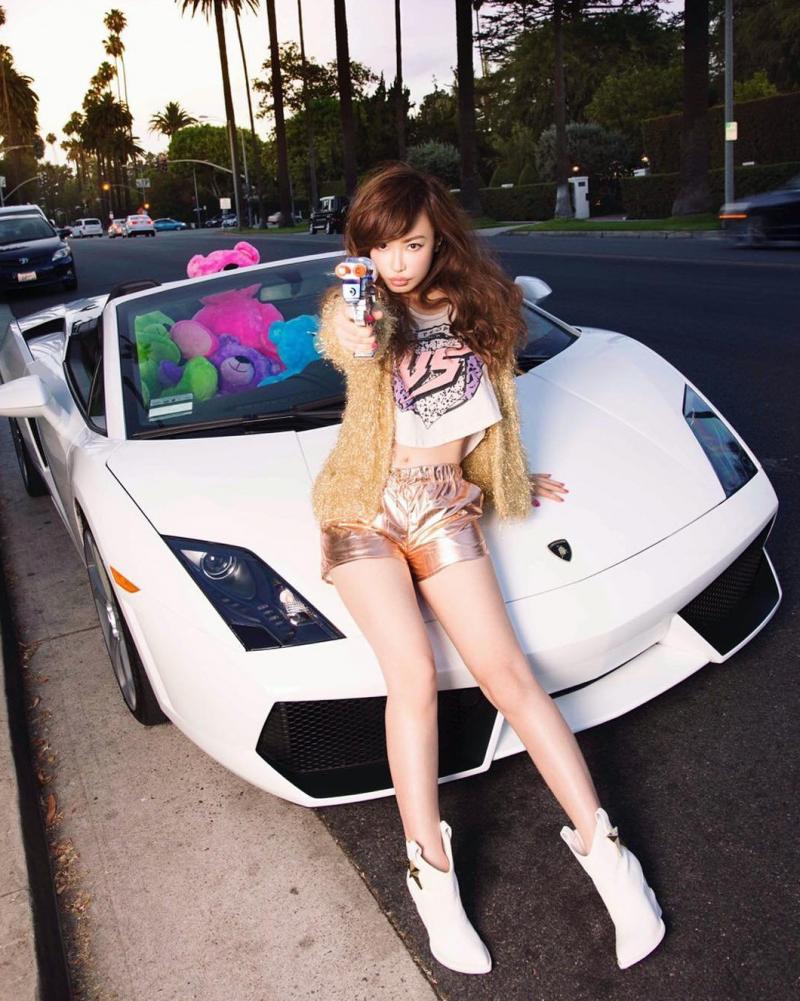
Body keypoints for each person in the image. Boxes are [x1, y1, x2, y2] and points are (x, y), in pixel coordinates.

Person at [310, 162, 665, 974]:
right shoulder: (365, 307)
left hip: (444, 503)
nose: (397, 262)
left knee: (510, 675)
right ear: (361, 250)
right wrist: (358, 321)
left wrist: (509, 475)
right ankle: (431, 878)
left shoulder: (483, 308)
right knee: (413, 677)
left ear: (439, 237)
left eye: (411, 244)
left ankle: (611, 859)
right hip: (363, 507)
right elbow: (350, 339)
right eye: (379, 247)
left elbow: (489, 415)